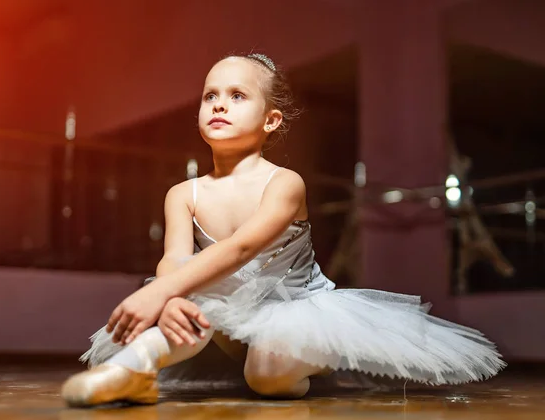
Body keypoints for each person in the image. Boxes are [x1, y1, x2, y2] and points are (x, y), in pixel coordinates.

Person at [61, 53, 505, 407]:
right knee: (193, 311)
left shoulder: (285, 184)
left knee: (268, 380)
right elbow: (176, 257)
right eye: (209, 95)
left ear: (270, 120)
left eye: (237, 95)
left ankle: (309, 362)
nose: (218, 103)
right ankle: (127, 373)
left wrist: (158, 292)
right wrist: (171, 293)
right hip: (222, 310)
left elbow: (241, 247)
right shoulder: (183, 193)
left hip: (294, 308)